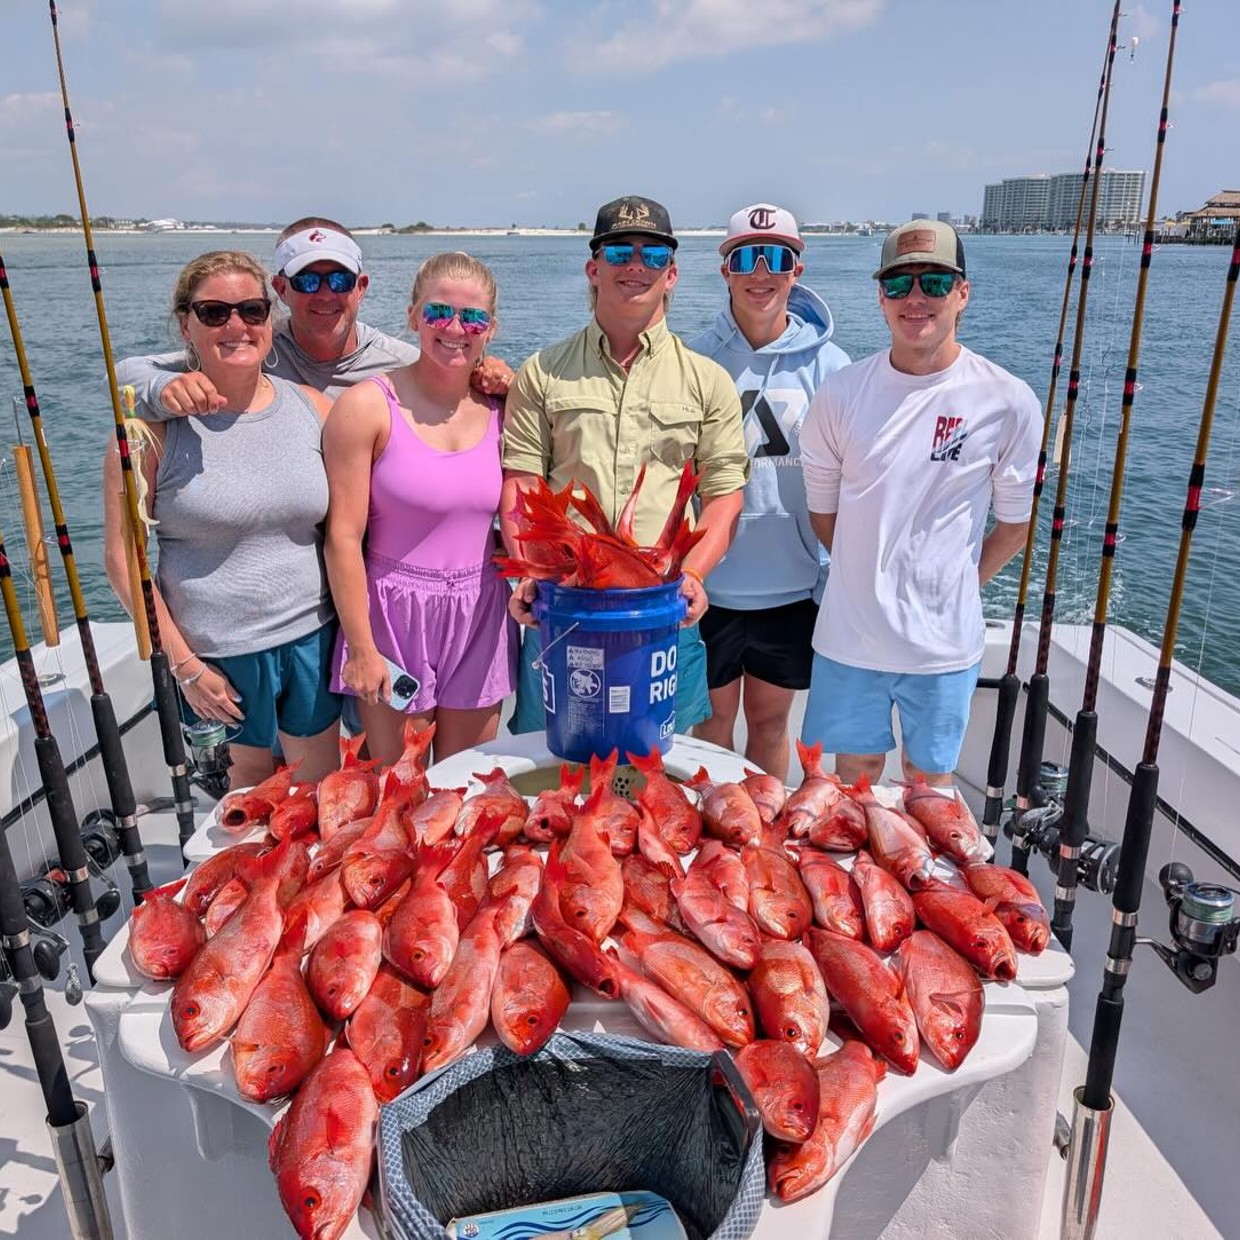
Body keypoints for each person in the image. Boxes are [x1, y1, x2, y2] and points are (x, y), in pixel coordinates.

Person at [800, 220, 1040, 787]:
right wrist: (870, 574)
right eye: (898, 284)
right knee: (851, 785)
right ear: (879, 297)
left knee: (928, 785)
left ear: (963, 293)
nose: (915, 298)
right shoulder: (840, 394)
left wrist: (954, 582)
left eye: (933, 282)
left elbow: (1013, 527)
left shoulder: (1007, 400)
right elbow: (823, 514)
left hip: (944, 646)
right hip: (849, 638)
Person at [500, 195, 749, 736]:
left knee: (660, 770)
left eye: (652, 255)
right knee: (555, 772)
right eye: (619, 252)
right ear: (594, 267)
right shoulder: (543, 373)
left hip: (663, 606)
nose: (635, 265)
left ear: (672, 274)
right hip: (565, 605)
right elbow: (522, 483)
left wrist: (694, 575)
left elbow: (726, 496)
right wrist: (528, 573)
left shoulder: (708, 382)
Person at [102, 250, 341, 789]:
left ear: (269, 319)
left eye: (252, 311)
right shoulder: (149, 433)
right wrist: (186, 668)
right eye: (214, 313)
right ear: (186, 323)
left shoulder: (313, 409)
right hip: (215, 658)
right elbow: (123, 562)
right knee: (248, 804)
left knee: (319, 794)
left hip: (312, 639)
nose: (236, 326)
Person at [323, 252, 518, 767]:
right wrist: (362, 648)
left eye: (473, 318)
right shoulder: (367, 406)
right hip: (392, 615)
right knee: (399, 790)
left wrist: (516, 385)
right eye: (438, 313)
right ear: (413, 317)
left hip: (480, 610)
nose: (456, 328)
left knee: (466, 787)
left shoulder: (507, 409)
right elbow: (342, 537)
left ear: (490, 330)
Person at [690, 203, 850, 781]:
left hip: (791, 585)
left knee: (769, 724)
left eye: (777, 258)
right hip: (706, 583)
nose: (762, 272)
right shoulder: (693, 359)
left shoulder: (832, 365)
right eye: (746, 258)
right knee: (708, 725)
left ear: (797, 270)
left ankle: (759, 844)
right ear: (725, 269)